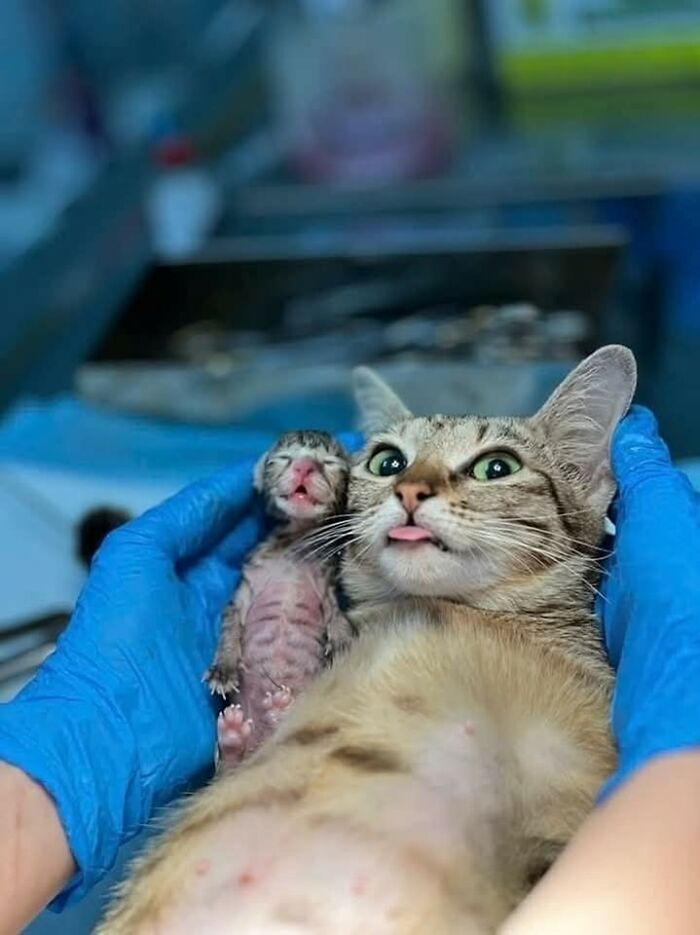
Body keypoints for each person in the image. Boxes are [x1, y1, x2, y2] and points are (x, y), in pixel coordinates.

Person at [1, 408, 699, 933]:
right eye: (388, 461)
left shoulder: (583, 688)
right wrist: (56, 772)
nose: (415, 488)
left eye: (493, 466)